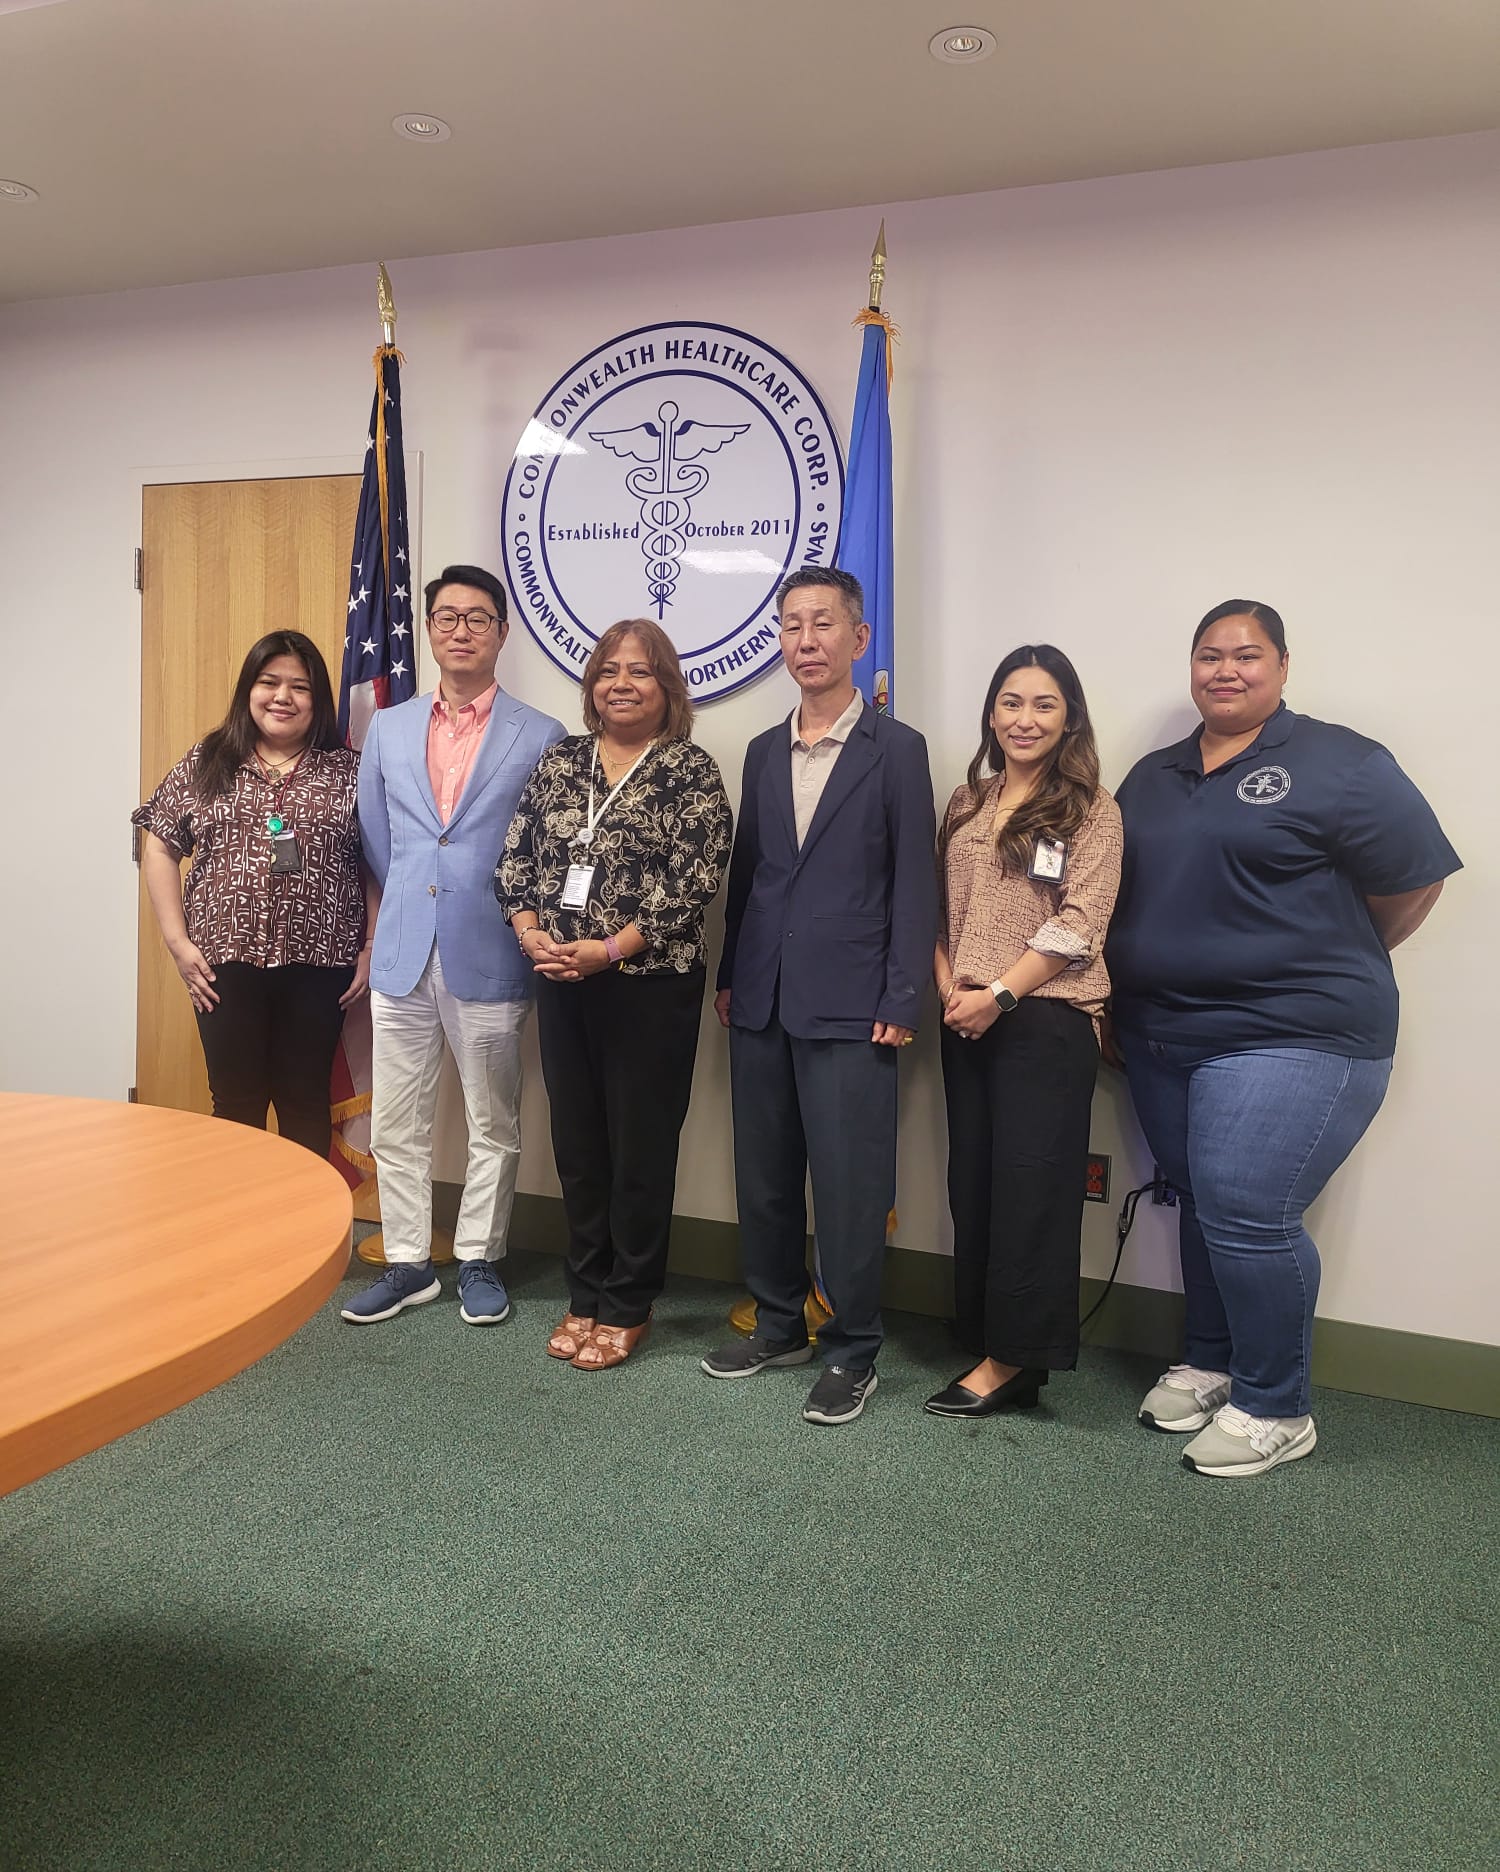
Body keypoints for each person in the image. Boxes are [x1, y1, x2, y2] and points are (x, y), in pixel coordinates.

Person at [1106, 599, 1461, 1477]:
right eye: (1209, 655)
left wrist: (1320, 956)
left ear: (1284, 666)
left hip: (1297, 1032)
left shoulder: (1342, 762)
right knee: (1197, 1195)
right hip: (1163, 1032)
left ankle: (1277, 1403)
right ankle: (1211, 1360)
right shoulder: (1152, 776)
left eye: (1247, 655)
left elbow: (1413, 885)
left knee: (1247, 1207)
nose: (1225, 669)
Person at [701, 566, 938, 1426]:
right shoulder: (763, 751)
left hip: (854, 1001)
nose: (807, 640)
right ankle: (776, 1323)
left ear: (858, 639)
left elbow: (915, 884)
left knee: (848, 1183)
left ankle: (854, 1349)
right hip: (761, 995)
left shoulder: (898, 751)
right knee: (763, 1177)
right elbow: (752, 875)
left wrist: (904, 995)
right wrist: (731, 976)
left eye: (823, 624)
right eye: (792, 626)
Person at [497, 619, 732, 1368]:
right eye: (608, 671)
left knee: (639, 1147)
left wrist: (608, 949)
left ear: (668, 686)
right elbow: (517, 854)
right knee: (579, 1144)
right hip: (562, 983)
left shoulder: (690, 771)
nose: (621, 684)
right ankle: (584, 1290)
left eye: (640, 671)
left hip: (648, 986)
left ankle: (629, 1300)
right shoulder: (562, 760)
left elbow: (694, 881)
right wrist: (530, 932)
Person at [341, 564, 565, 1328]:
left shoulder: (541, 735)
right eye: (446, 616)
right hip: (404, 949)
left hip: (493, 950)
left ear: (502, 632)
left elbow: (544, 847)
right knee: (398, 1118)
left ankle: (478, 1258)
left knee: (492, 1120)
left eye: (477, 617)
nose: (461, 629)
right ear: (429, 630)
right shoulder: (390, 729)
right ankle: (408, 1261)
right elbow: (379, 835)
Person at [927, 646, 1122, 1418]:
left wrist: (1000, 994)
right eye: (1010, 702)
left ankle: (1015, 1360)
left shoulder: (1093, 808)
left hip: (1043, 1020)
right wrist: (952, 990)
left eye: (1043, 704)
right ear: (991, 713)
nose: (1024, 719)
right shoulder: (964, 801)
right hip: (963, 1015)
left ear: (1069, 716)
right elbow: (937, 911)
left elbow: (1082, 924)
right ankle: (984, 1329)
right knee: (973, 1180)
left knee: (1032, 1190)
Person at [136, 632, 369, 1157]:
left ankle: (304, 1232)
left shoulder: (349, 771)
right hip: (224, 963)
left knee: (304, 1099)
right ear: (249, 689)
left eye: (300, 687)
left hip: (321, 961)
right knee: (236, 1102)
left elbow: (375, 860)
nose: (283, 696)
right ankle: (238, 1231)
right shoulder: (208, 760)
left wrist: (371, 945)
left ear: (319, 700)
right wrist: (177, 943)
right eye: (270, 682)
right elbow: (160, 848)